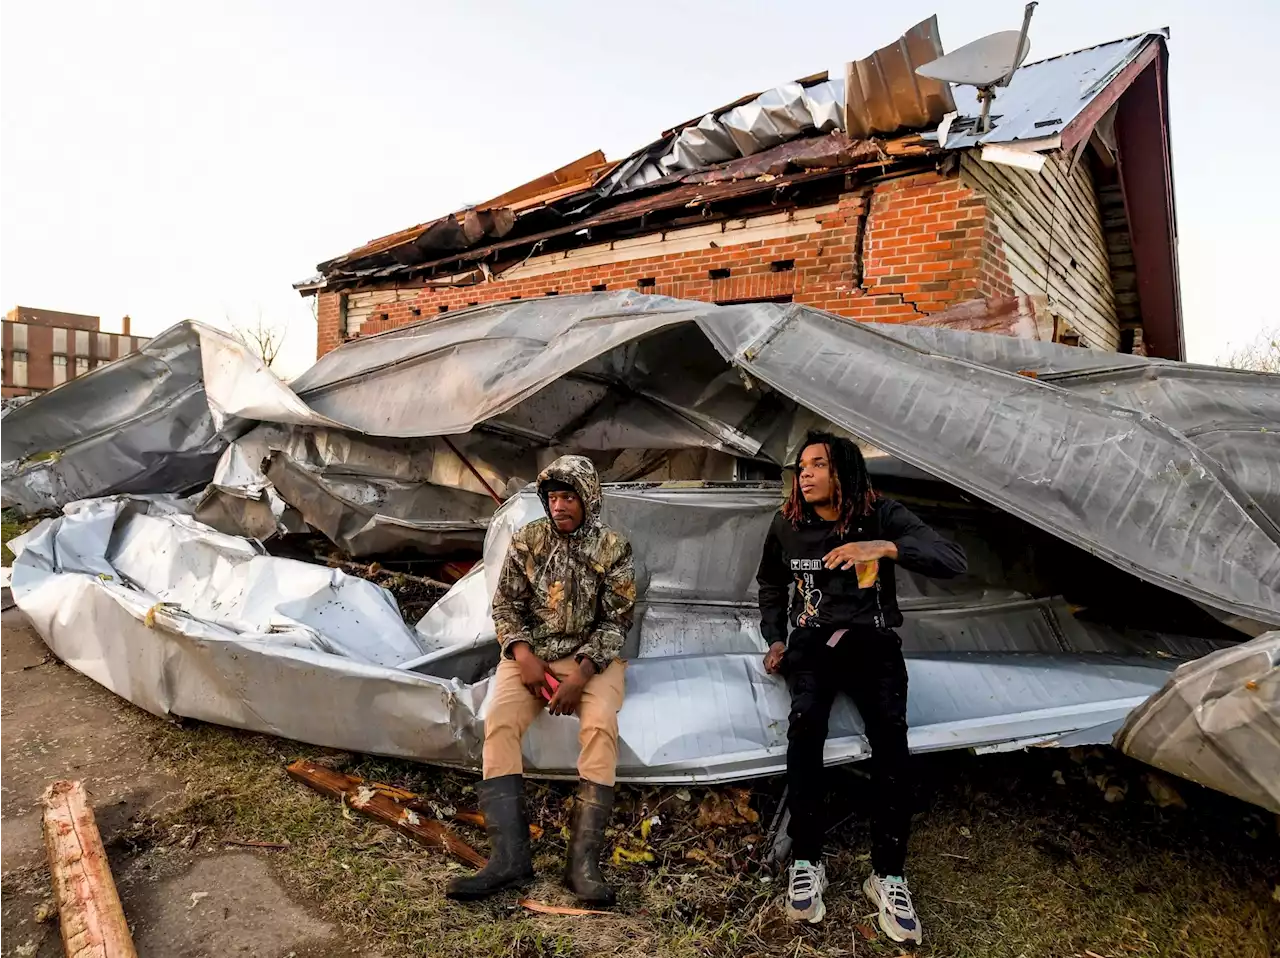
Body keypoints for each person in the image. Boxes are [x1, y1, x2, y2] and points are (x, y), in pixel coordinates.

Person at [756, 431, 966, 944]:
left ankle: (887, 875)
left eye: (818, 465)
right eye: (801, 466)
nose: (804, 474)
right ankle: (807, 861)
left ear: (843, 471)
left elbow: (952, 559)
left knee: (892, 744)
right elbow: (770, 583)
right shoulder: (788, 524)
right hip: (810, 644)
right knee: (804, 734)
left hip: (872, 642)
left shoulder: (880, 513)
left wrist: (886, 547)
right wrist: (776, 638)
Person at [446, 455, 634, 906]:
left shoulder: (614, 549)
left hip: (592, 662)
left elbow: (617, 621)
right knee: (500, 724)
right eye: (552, 497)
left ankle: (581, 866)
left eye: (569, 496)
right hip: (531, 659)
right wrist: (523, 656)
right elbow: (505, 607)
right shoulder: (527, 540)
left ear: (588, 498)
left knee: (600, 727)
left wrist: (583, 674)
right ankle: (509, 859)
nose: (560, 505)